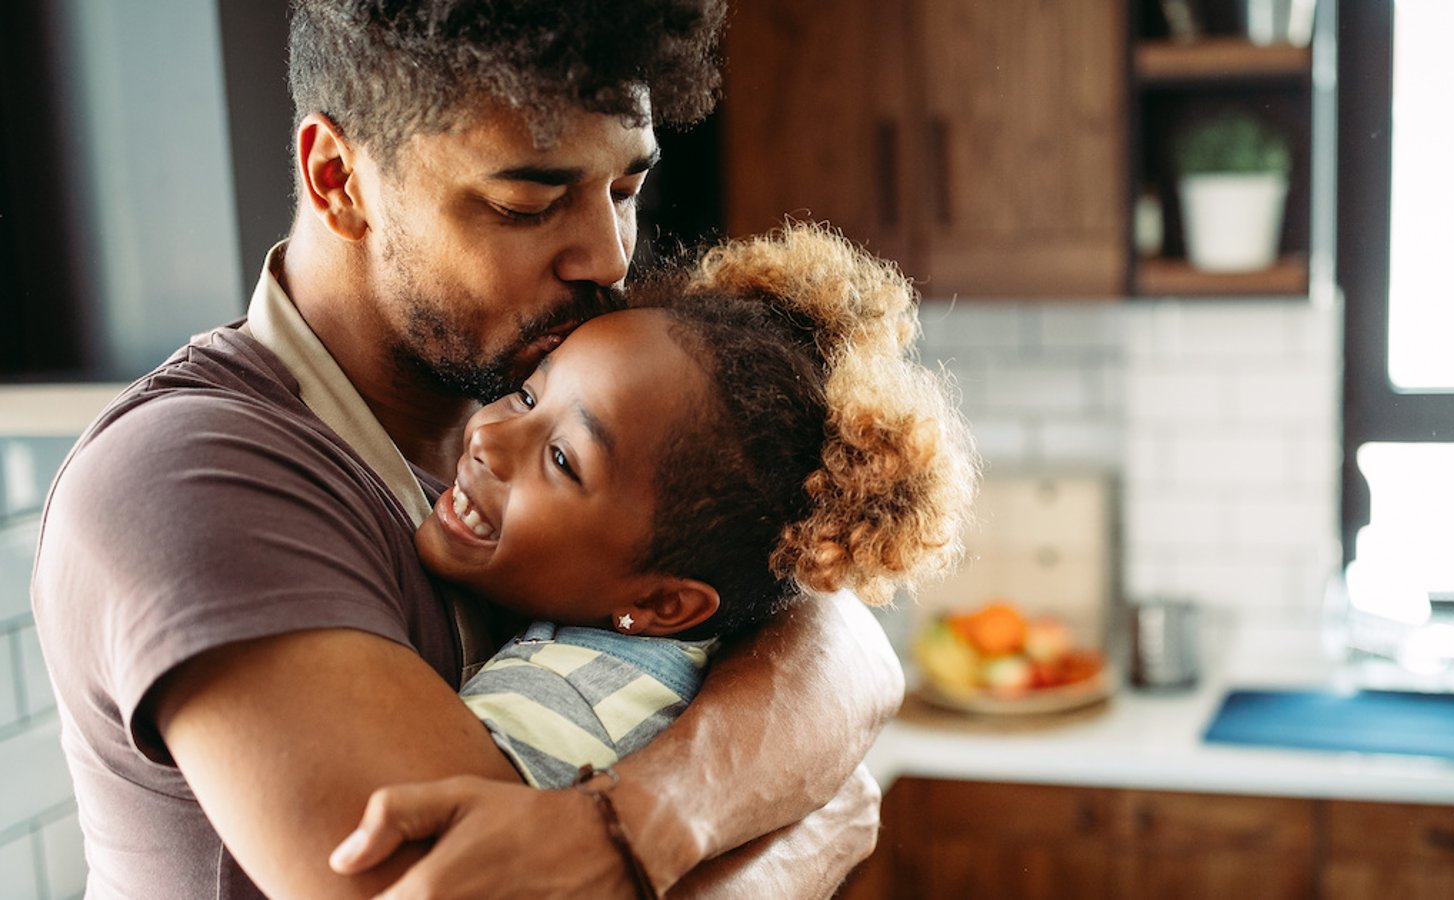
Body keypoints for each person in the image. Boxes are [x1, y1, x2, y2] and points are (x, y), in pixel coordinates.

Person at [30, 2, 907, 897]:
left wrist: (650, 817)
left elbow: (833, 632)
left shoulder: (528, 399)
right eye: (527, 204)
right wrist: (803, 844)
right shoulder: (193, 476)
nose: (606, 257)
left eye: (626, 191)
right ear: (338, 179)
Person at [418, 224, 975, 791]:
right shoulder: (668, 661)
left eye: (563, 460)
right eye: (529, 395)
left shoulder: (548, 712)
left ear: (661, 602)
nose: (488, 439)